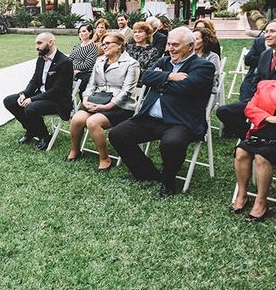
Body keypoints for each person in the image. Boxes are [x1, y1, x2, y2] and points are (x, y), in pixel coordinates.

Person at [109, 27, 215, 197]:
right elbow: (143, 76)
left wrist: (158, 79)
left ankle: (168, 181)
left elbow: (186, 87)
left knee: (171, 143)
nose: (170, 48)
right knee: (117, 134)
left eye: (175, 45)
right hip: (149, 118)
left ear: (190, 46)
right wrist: (170, 76)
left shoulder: (203, 66)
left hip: (180, 121)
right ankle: (146, 173)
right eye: (168, 44)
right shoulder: (164, 61)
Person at [67, 34, 140, 170]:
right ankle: (75, 150)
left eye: (108, 43)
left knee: (92, 122)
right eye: (103, 43)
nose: (104, 46)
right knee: (77, 119)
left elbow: (127, 91)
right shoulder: (99, 61)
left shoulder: (131, 64)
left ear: (119, 45)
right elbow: (91, 84)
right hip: (97, 100)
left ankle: (105, 158)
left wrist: (107, 106)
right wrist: (86, 99)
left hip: (121, 106)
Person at [2, 32, 74, 151]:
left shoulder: (64, 62)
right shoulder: (41, 58)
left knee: (30, 107)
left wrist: (31, 99)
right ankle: (31, 130)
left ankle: (44, 136)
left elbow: (57, 90)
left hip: (58, 100)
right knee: (9, 101)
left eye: (40, 43)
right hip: (41, 95)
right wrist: (24, 94)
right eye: (36, 43)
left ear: (50, 42)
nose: (37, 46)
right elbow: (35, 80)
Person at [217, 23, 276, 138]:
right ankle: (250, 136)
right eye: (266, 31)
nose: (267, 35)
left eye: (272, 31)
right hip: (260, 103)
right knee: (224, 111)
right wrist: (253, 102)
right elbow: (256, 82)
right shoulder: (265, 55)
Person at [231, 79, 276, 221]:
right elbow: (249, 108)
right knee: (241, 152)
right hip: (263, 129)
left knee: (262, 156)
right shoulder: (265, 85)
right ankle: (242, 195)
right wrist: (268, 118)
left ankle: (261, 202)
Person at [69, 23, 98, 94]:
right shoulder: (77, 45)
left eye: (84, 31)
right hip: (71, 70)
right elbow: (70, 58)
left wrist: (73, 67)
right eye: (80, 32)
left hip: (85, 72)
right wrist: (70, 68)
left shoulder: (93, 46)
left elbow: (87, 64)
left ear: (90, 32)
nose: (81, 34)